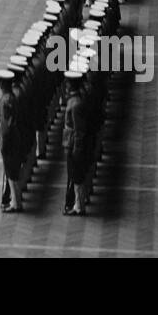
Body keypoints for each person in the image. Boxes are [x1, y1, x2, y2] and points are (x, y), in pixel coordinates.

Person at [62, 70, 89, 216]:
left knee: (76, 174)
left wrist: (76, 149)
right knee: (74, 174)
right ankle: (77, 203)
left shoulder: (75, 104)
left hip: (73, 143)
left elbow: (79, 130)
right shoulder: (75, 100)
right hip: (71, 142)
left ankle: (79, 205)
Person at [0, 69, 24, 213]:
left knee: (11, 172)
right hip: (14, 137)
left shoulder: (6, 100)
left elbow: (6, 125)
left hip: (9, 140)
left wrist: (4, 143)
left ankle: (16, 202)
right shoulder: (11, 97)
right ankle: (15, 200)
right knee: (12, 172)